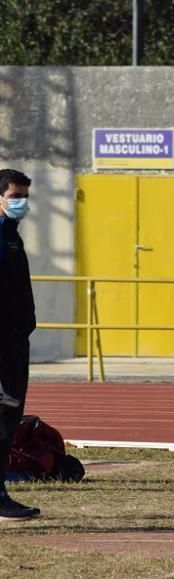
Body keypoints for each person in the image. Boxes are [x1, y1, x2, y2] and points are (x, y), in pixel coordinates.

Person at [0, 169, 39, 521]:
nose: (21, 203)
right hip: (3, 343)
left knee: (8, 420)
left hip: (14, 340)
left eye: (24, 196)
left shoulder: (11, 234)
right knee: (3, 418)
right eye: (14, 196)